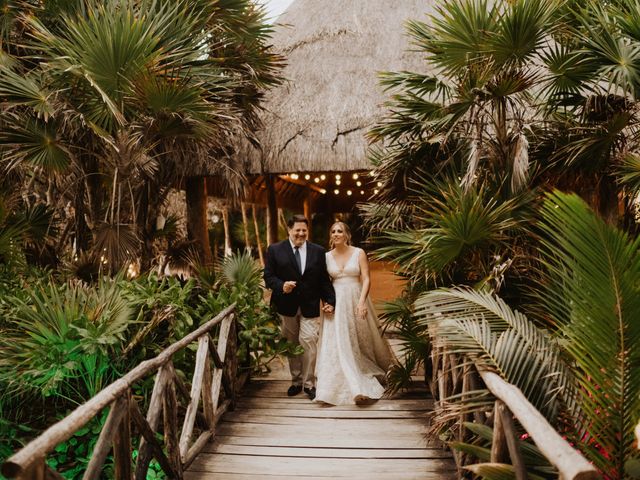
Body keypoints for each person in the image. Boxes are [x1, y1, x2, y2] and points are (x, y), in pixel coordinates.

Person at [315, 221, 395, 405]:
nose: (336, 234)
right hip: (336, 301)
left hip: (356, 297)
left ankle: (366, 370)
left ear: (347, 235)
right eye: (333, 231)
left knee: (360, 339)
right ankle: (349, 385)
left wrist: (361, 302)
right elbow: (323, 283)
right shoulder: (326, 257)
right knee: (338, 342)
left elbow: (366, 278)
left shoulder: (359, 253)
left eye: (340, 231)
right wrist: (327, 303)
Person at [264, 214, 336, 400]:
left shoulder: (318, 251)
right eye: (298, 230)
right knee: (291, 344)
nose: (301, 233)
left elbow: (323, 280)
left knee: (309, 342)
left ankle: (309, 383)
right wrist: (281, 286)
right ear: (289, 230)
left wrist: (330, 301)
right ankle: (296, 381)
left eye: (304, 230)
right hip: (285, 305)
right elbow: (268, 277)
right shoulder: (274, 250)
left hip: (310, 305)